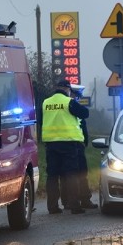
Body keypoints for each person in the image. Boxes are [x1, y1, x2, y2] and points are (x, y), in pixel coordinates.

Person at [41, 78, 89, 214]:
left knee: (52, 175)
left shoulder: (46, 102)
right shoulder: (69, 102)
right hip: (69, 143)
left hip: (51, 144)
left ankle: (52, 206)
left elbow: (41, 120)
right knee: (71, 174)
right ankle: (74, 205)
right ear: (67, 89)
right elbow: (85, 113)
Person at [70, 84, 98, 210]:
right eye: (77, 95)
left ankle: (69, 202)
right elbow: (84, 114)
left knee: (69, 174)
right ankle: (84, 200)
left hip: (69, 143)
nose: (78, 98)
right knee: (81, 173)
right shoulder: (70, 104)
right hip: (75, 144)